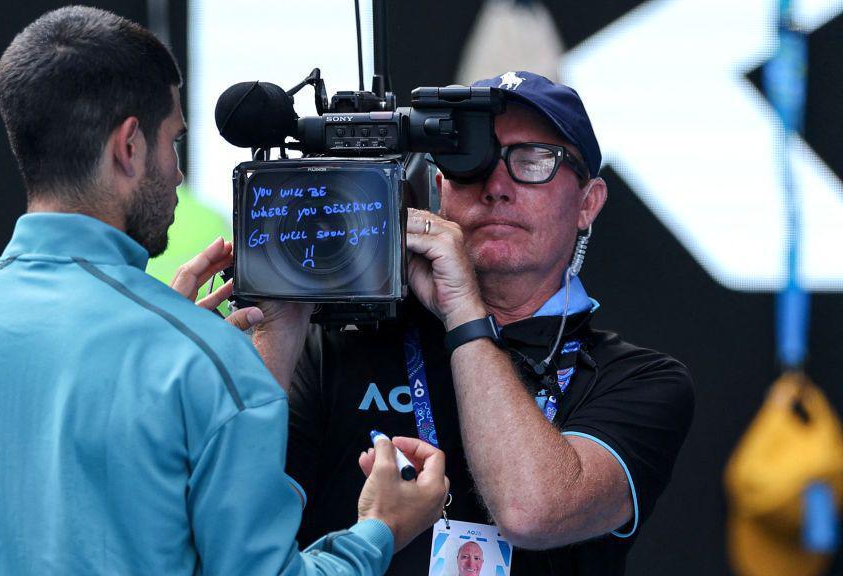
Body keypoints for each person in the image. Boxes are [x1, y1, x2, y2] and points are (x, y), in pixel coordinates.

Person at [0, 7, 448, 575]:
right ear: (129, 146)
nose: (177, 174)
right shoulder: (199, 361)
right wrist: (379, 529)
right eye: (174, 142)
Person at [253, 71, 695, 575]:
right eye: (471, 159)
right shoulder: (333, 349)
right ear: (441, 190)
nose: (497, 187)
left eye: (533, 161)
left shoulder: (639, 380)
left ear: (587, 203)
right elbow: (228, 521)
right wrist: (278, 334)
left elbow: (532, 511)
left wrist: (462, 308)